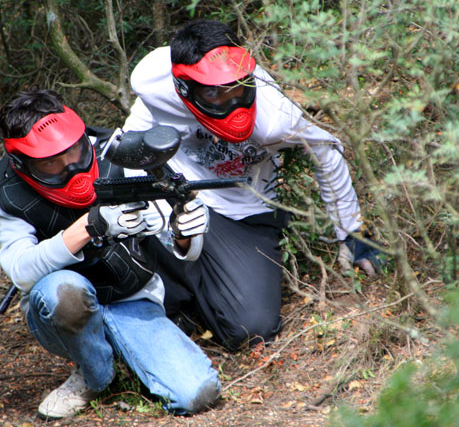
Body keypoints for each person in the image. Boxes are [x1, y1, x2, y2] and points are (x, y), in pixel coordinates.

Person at [122, 19, 382, 351]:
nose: (231, 102)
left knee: (252, 327)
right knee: (120, 197)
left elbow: (325, 149)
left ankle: (193, 296)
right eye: (213, 93)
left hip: (243, 207)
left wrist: (350, 232)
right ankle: (164, 293)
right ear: (185, 88)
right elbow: (137, 132)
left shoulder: (273, 118)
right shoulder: (156, 81)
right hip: (177, 186)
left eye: (239, 88)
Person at [0, 89, 220, 419]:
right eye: (52, 162)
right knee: (61, 291)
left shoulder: (121, 152)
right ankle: (95, 376)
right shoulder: (5, 187)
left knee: (196, 394)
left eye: (76, 152)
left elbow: (180, 249)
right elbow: (20, 270)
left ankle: (119, 347)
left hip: (130, 294)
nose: (71, 169)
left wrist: (184, 231)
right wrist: (90, 226)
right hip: (61, 304)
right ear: (24, 164)